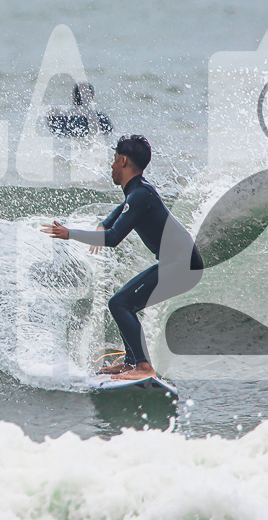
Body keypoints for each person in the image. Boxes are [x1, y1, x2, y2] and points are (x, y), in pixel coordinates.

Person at [41, 135, 203, 381]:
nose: (112, 165)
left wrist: (69, 233)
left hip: (183, 265)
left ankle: (143, 366)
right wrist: (103, 223)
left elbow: (114, 237)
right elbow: (121, 210)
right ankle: (132, 362)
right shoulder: (139, 192)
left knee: (120, 303)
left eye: (115, 159)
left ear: (124, 161)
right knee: (124, 303)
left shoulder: (140, 194)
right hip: (182, 263)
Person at [47, 82, 113, 137]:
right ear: (92, 97)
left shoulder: (65, 119)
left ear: (74, 97)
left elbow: (54, 131)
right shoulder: (101, 119)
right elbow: (109, 135)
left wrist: (51, 117)